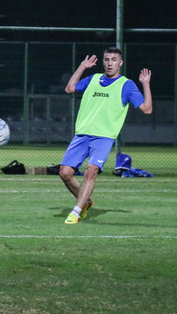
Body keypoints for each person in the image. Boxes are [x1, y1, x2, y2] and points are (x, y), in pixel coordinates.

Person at [60, 47, 152, 225]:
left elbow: (147, 109)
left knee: (90, 172)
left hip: (103, 137)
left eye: (114, 60)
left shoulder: (126, 85)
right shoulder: (93, 79)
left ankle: (76, 211)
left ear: (120, 63)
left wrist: (146, 84)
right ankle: (85, 202)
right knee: (65, 173)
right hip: (82, 135)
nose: (110, 63)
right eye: (107, 59)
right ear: (103, 62)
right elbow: (70, 88)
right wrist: (82, 67)